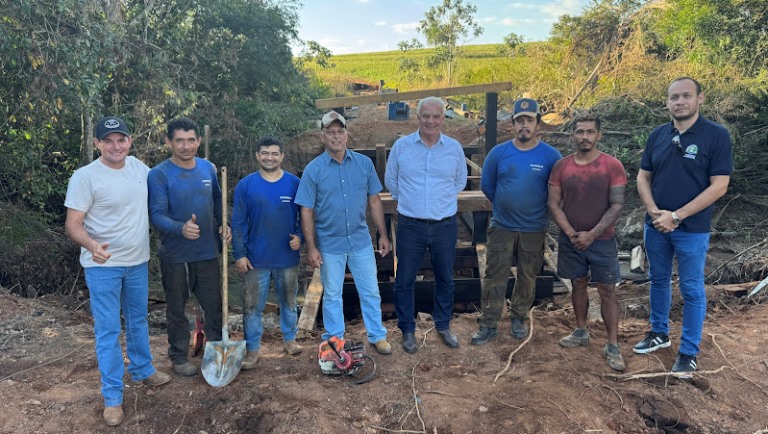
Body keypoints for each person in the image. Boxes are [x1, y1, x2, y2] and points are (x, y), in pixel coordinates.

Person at [64, 116, 172, 427]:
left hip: (138, 262)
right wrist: (92, 245)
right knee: (109, 330)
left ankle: (143, 369)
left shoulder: (140, 169)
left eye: (121, 139)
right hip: (103, 267)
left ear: (130, 141)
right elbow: (73, 225)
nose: (115, 145)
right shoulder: (85, 177)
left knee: (138, 319)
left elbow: (165, 195)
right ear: (97, 143)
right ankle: (112, 396)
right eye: (108, 140)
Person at [634, 77, 732, 378]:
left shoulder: (716, 136)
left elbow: (719, 186)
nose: (680, 102)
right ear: (667, 102)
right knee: (659, 281)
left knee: (691, 289)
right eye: (674, 97)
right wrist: (654, 212)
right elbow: (642, 177)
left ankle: (688, 352)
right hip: (657, 227)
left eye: (686, 96)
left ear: (699, 99)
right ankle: (659, 333)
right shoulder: (658, 135)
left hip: (692, 230)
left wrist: (676, 216)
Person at [294, 111, 392, 355]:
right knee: (332, 294)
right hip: (329, 243)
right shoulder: (313, 170)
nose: (336, 136)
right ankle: (334, 339)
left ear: (347, 134)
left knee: (370, 290)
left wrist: (383, 234)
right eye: (330, 132)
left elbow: (375, 201)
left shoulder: (363, 164)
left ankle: (377, 335)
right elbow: (306, 211)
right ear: (322, 136)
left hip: (360, 240)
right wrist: (312, 247)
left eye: (340, 131)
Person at [471, 98, 561, 345]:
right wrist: (506, 205)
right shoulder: (499, 153)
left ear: (537, 124)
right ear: (512, 124)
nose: (524, 125)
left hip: (534, 228)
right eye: (519, 120)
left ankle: (519, 317)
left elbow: (557, 190)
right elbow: (488, 186)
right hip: (502, 227)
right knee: (494, 276)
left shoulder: (551, 156)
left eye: (529, 120)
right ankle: (488, 322)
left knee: (527, 276)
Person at [385, 97, 468, 353]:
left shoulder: (454, 148)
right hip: (411, 226)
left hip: (444, 225)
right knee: (404, 280)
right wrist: (415, 204)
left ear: (443, 118)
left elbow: (459, 182)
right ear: (417, 117)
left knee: (445, 277)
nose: (431, 121)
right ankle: (407, 330)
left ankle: (443, 325)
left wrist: (437, 204)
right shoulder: (402, 147)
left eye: (436, 116)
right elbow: (392, 183)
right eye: (426, 116)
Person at [148, 117, 228, 377]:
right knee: (176, 308)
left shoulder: (208, 169)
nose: (186, 146)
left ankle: (216, 353)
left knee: (214, 306)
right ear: (169, 142)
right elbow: (157, 215)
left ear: (199, 141)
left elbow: (218, 202)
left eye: (191, 140)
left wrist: (223, 225)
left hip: (207, 253)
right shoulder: (159, 174)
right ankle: (179, 357)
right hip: (175, 256)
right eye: (179, 140)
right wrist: (180, 228)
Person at [548, 114, 627, 371]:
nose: (585, 137)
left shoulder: (611, 166)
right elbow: (553, 203)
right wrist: (571, 233)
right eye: (580, 132)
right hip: (571, 239)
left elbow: (616, 205)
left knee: (607, 290)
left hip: (602, 240)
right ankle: (581, 331)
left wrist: (592, 234)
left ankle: (613, 344)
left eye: (590, 132)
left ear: (598, 135)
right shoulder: (562, 167)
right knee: (578, 284)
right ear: (573, 135)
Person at [232, 137, 303, 369]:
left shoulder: (294, 183)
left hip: (287, 258)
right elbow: (239, 222)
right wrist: (239, 254)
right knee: (252, 306)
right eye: (265, 153)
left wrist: (300, 236)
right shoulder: (246, 185)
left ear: (282, 156)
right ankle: (252, 350)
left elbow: (306, 216)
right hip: (255, 259)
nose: (269, 157)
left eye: (274, 153)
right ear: (257, 155)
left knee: (289, 302)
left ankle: (290, 340)